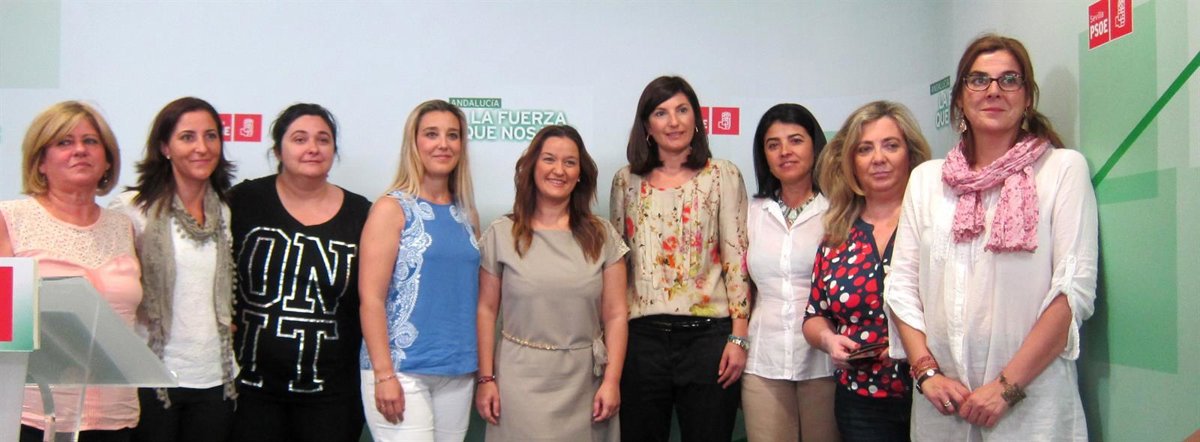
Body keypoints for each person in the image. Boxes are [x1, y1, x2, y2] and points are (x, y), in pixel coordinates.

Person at [885, 34, 1098, 441]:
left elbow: (1072, 292)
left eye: (1009, 80)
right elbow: (901, 287)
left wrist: (1005, 388)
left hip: (1031, 406)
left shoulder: (1062, 170)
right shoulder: (927, 180)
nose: (994, 90)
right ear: (960, 99)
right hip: (942, 407)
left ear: (1028, 97)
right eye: (979, 80)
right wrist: (926, 373)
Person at [610, 76, 749, 442]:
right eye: (661, 112)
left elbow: (736, 259)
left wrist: (739, 338)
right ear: (646, 126)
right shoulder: (625, 181)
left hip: (709, 340)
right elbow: (618, 267)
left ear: (696, 118)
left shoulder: (722, 175)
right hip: (641, 341)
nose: (673, 122)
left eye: (682, 110)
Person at [475, 125, 628, 441]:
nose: (559, 170)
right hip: (517, 383)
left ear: (580, 174)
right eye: (549, 159)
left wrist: (612, 381)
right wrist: (486, 379)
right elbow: (486, 311)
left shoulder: (603, 236)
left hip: (586, 386)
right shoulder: (501, 234)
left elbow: (615, 315)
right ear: (532, 167)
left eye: (570, 162)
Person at [0, 101, 142, 442]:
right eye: (64, 142)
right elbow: (4, 325)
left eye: (90, 141)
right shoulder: (10, 219)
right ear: (40, 161)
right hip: (32, 418)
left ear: (107, 160)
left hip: (115, 417)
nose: (79, 150)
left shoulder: (124, 226)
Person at [228, 103, 370, 442]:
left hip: (332, 395)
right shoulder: (243, 201)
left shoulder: (361, 213)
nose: (312, 148)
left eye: (323, 139)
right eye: (299, 139)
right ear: (278, 150)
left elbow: (373, 298)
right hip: (250, 391)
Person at [109, 97, 238, 442]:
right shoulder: (133, 209)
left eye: (211, 136)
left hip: (215, 376)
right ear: (165, 147)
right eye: (187, 137)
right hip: (153, 375)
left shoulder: (222, 210)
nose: (202, 147)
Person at [802, 101, 931, 441]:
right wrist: (828, 340)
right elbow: (814, 315)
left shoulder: (935, 223)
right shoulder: (837, 235)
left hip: (933, 393)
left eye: (891, 145)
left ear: (910, 154)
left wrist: (910, 348)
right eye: (865, 149)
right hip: (861, 403)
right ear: (851, 163)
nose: (878, 158)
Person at [358, 99, 480, 441]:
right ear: (414, 142)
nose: (443, 144)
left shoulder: (467, 214)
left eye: (453, 135)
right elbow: (371, 298)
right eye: (431, 134)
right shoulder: (391, 209)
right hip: (402, 370)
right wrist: (384, 374)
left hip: (457, 370)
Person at [742, 103, 839, 442]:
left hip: (826, 361)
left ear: (815, 146)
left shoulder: (839, 210)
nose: (785, 151)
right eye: (773, 144)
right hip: (763, 359)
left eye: (796, 140)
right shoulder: (751, 212)